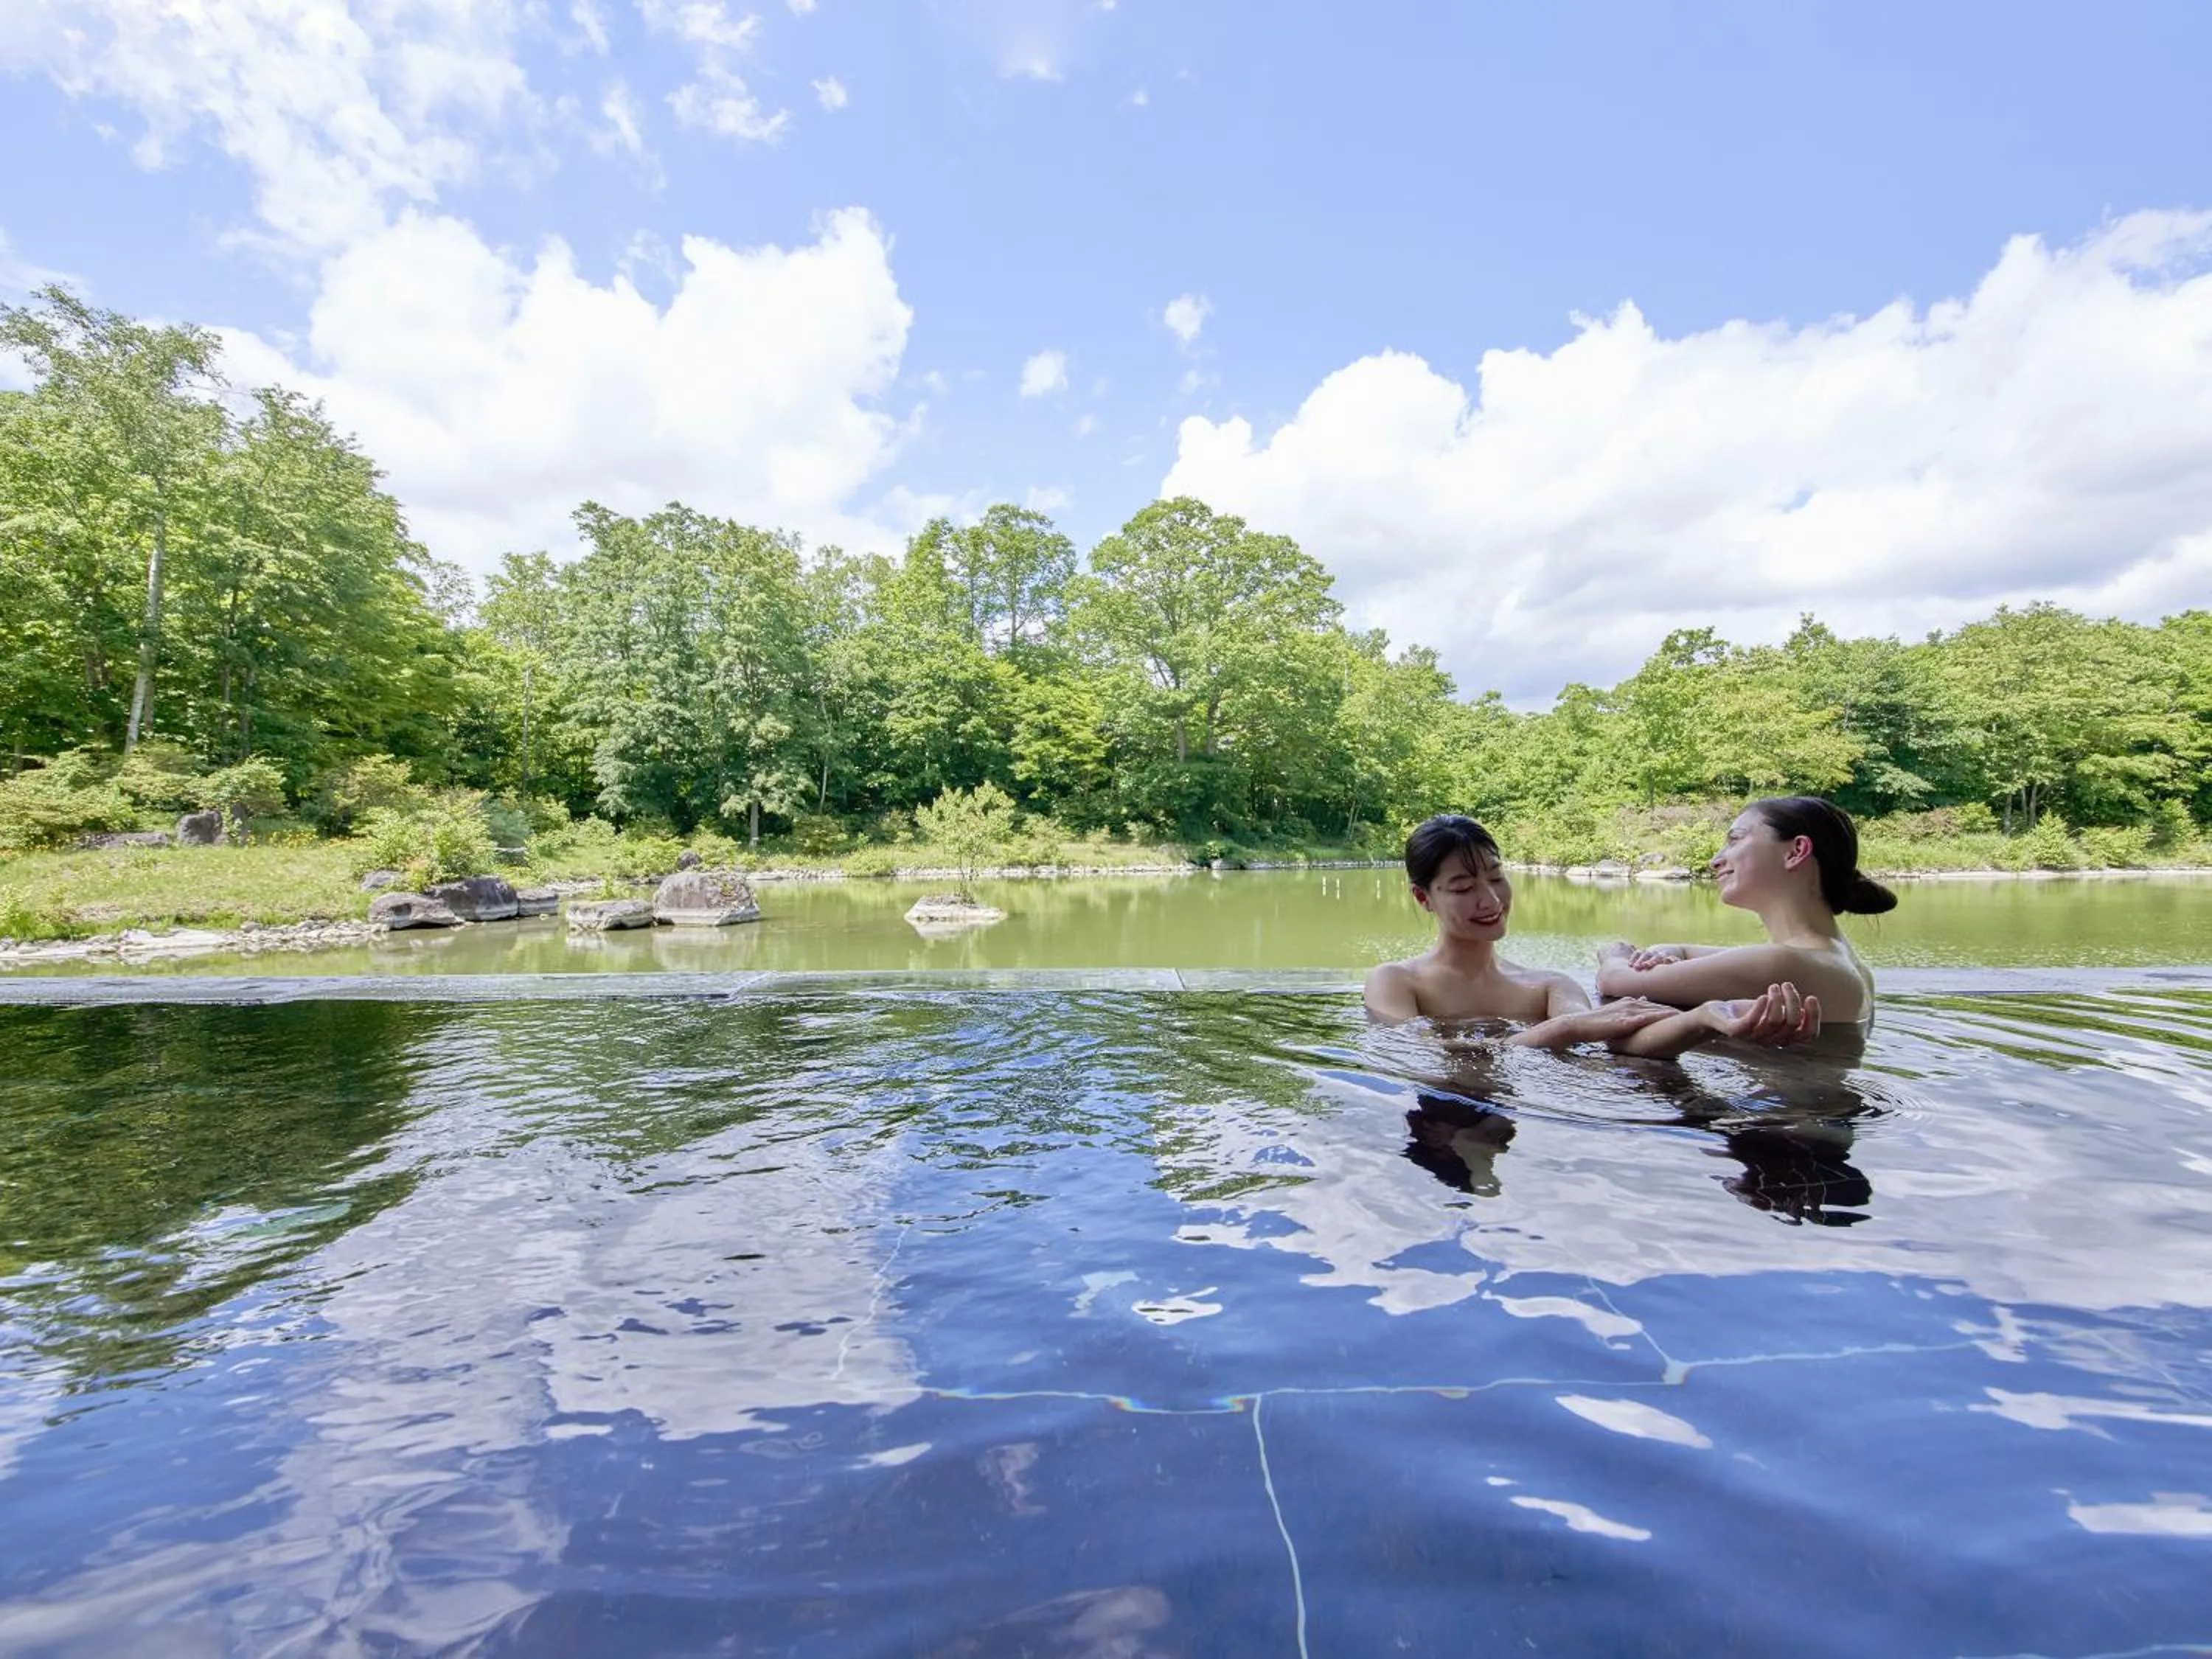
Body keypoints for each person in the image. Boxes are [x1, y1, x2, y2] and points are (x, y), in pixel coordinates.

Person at [1365, 814, 1820, 1057]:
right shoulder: (1396, 981)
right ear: (1423, 898)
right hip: (1439, 1116)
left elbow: (1616, 1041)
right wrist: (1566, 1028)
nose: (1490, 899)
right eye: (1463, 888)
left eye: (1497, 878)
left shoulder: (1548, 985)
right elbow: (1417, 1057)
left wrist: (1707, 1020)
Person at [1596, 795, 1896, 1029]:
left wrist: (1615, 955)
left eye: (1735, 840)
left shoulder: (1786, 963)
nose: (1716, 860)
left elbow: (1616, 982)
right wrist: (1661, 955)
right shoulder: (1834, 959)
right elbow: (1683, 950)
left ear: (1796, 852)